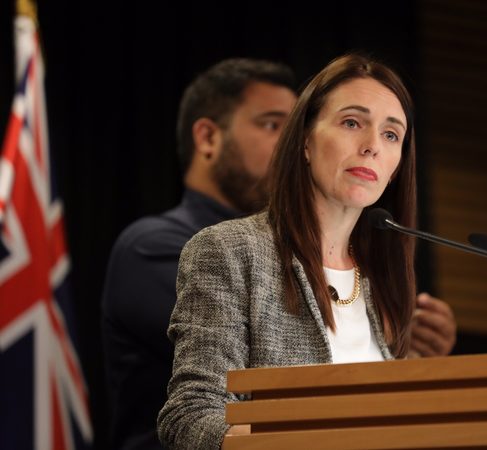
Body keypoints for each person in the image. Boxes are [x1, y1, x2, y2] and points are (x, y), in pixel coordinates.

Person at [102, 57, 455, 450]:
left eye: (392, 134)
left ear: (397, 168)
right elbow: (191, 414)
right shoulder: (227, 250)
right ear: (305, 139)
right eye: (352, 122)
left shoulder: (382, 282)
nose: (372, 145)